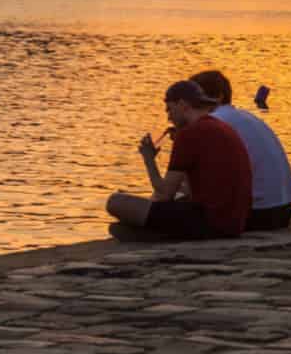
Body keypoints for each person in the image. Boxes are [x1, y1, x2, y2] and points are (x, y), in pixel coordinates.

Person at [105, 78, 252, 240]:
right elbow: (191, 188)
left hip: (209, 223)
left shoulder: (189, 133)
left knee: (115, 202)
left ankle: (151, 233)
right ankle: (150, 232)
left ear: (182, 105)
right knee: (174, 199)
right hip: (233, 224)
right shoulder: (222, 127)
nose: (168, 118)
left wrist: (148, 159)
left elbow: (164, 195)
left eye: (169, 110)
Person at [191, 69, 291, 230]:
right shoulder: (245, 116)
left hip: (258, 214)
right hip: (283, 210)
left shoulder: (214, 122)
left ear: (218, 96)